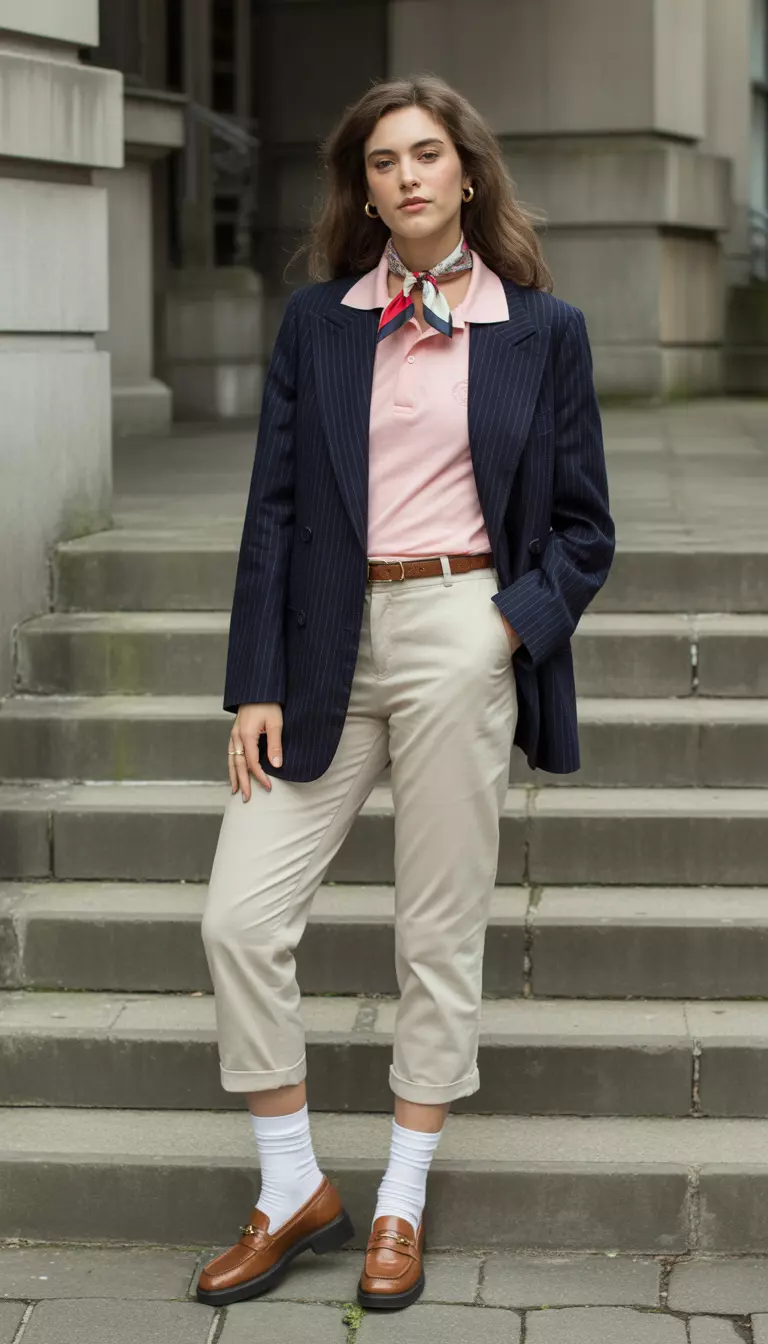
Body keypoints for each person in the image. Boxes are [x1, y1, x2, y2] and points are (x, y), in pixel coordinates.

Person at [196, 72, 614, 1313]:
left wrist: (502, 631)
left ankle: (399, 1200)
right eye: (383, 162)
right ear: (363, 189)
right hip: (326, 637)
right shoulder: (321, 323)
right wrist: (253, 682)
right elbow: (271, 512)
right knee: (237, 917)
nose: (408, 177)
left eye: (428, 154)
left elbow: (584, 533)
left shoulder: (543, 329)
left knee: (437, 932)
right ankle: (292, 1186)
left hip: (460, 630)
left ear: (468, 173)